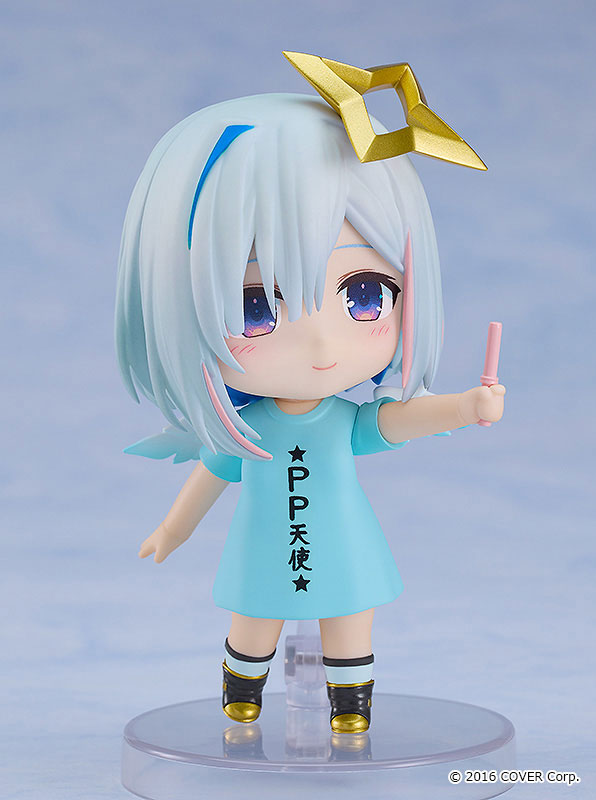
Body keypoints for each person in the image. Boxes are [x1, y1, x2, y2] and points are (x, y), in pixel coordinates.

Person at [115, 89, 505, 734]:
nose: (322, 346)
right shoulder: (247, 430)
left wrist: (465, 405)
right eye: (255, 307)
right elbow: (212, 474)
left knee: (350, 619)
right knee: (253, 619)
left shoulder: (342, 422)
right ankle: (242, 692)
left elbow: (396, 421)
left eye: (365, 295)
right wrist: (172, 530)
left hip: (344, 547)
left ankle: (351, 707)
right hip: (265, 548)